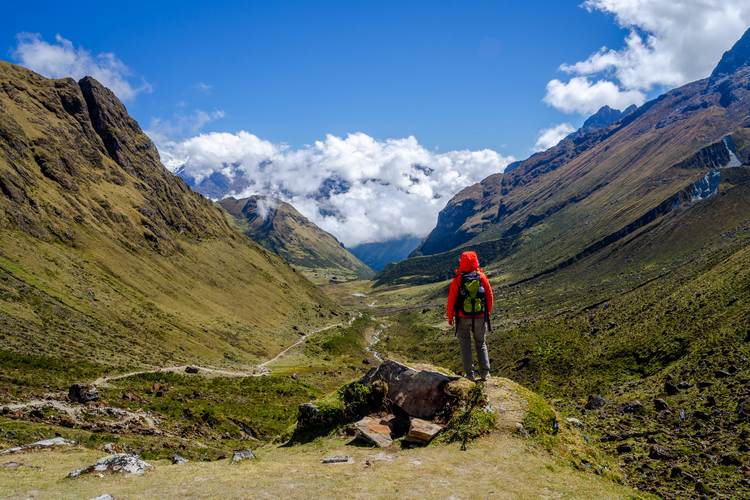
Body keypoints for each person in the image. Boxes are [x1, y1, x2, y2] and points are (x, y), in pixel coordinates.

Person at [446, 250, 494, 381]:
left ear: (462, 262)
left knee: (465, 344)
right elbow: (489, 295)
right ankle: (485, 373)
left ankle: (470, 375)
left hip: (462, 317)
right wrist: (487, 312)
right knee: (481, 343)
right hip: (480, 316)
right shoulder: (482, 277)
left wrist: (450, 317)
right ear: (475, 261)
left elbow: (451, 300)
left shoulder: (458, 280)